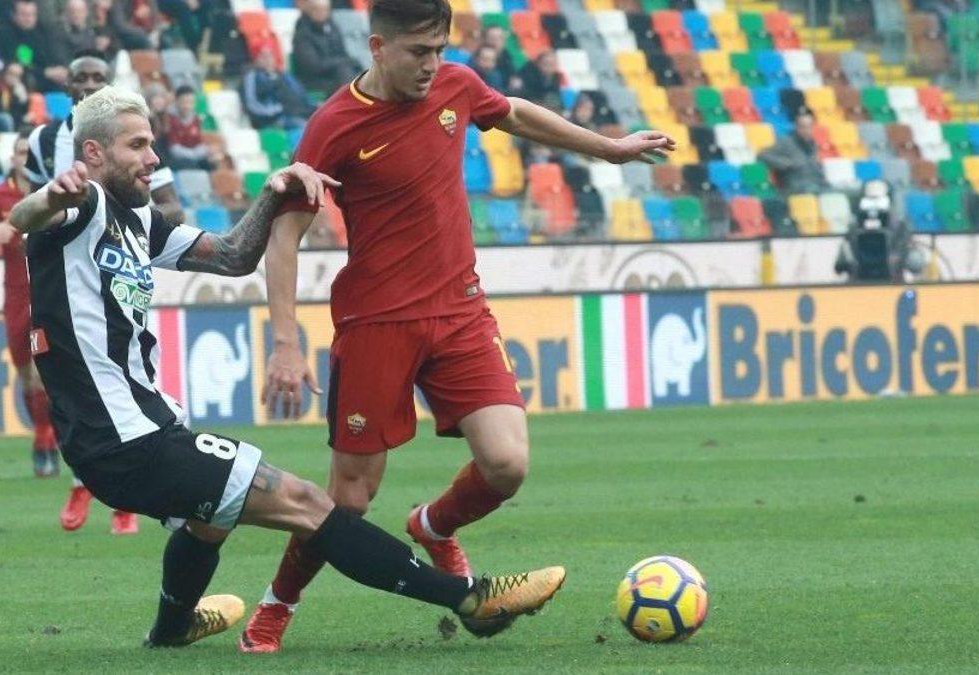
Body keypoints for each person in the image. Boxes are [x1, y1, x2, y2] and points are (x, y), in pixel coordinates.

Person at [8, 84, 566, 647]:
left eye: (151, 144)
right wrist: (51, 194)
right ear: (94, 153)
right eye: (137, 145)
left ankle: (172, 630)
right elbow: (25, 216)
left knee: (210, 518)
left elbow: (233, 256)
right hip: (122, 438)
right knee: (306, 504)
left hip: (139, 429)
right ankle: (471, 598)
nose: (153, 158)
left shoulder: (136, 220)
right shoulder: (79, 207)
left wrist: (274, 191)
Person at [240, 0, 672, 652]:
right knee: (348, 501)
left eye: (439, 50)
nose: (432, 65)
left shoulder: (455, 85)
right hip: (376, 321)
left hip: (460, 309)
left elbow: (515, 112)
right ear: (379, 47)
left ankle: (435, 525)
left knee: (506, 463)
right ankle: (277, 605)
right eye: (419, 52)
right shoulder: (334, 124)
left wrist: (608, 149)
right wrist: (283, 342)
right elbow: (285, 235)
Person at [22, 53, 180, 535]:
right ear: (67, 87)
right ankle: (82, 480)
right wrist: (51, 204)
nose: (89, 84)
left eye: (98, 77)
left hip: (115, 267)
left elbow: (165, 199)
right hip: (62, 271)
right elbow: (29, 207)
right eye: (81, 78)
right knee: (54, 377)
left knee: (120, 368)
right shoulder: (44, 140)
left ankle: (121, 502)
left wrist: (150, 229)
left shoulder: (130, 139)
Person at [0, 134, 60, 477]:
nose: (25, 158)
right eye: (21, 152)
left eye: (30, 153)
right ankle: (46, 436)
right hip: (16, 295)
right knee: (24, 375)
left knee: (40, 373)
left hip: (48, 293)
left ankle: (43, 440)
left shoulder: (53, 192)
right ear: (13, 157)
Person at [292, 0, 361, 93]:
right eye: (317, 10)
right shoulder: (302, 33)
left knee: (357, 71)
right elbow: (312, 66)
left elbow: (342, 53)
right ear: (309, 10)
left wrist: (348, 62)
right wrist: (340, 62)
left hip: (335, 73)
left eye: (325, 10)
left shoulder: (332, 27)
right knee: (344, 71)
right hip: (315, 79)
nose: (322, 13)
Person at [241, 47, 317, 130]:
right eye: (263, 57)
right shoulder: (252, 77)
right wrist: (279, 109)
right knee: (305, 127)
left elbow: (301, 94)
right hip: (276, 119)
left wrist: (314, 107)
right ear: (256, 59)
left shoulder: (284, 75)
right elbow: (252, 105)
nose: (268, 60)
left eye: (270, 56)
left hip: (299, 112)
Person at [758, 112, 825, 195]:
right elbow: (762, 156)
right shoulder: (785, 142)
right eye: (803, 127)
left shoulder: (812, 144)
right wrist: (787, 163)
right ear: (796, 127)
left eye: (809, 127)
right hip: (793, 187)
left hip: (815, 185)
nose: (807, 130)